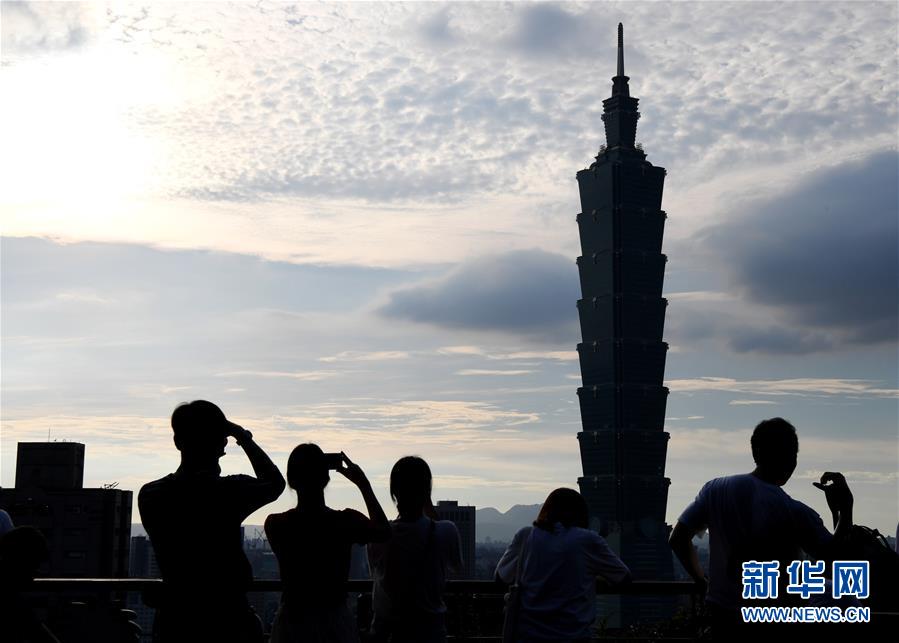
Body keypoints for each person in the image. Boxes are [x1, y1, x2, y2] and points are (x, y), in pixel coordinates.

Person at [669, 417, 853, 641]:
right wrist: (844, 509)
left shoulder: (714, 489)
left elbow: (678, 539)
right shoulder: (793, 510)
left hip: (722, 618)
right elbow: (835, 557)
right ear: (791, 459)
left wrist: (701, 581)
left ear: (756, 452)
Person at [138, 400, 285, 643]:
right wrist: (242, 436)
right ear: (222, 444)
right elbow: (274, 483)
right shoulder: (228, 492)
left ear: (178, 442)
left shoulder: (152, 494)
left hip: (176, 621)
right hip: (229, 619)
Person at [265, 445, 391, 643]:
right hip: (335, 622)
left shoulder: (276, 524)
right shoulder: (346, 522)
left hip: (292, 623)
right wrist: (363, 484)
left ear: (291, 480)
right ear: (326, 478)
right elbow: (383, 531)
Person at [495, 488, 631, 642]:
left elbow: (501, 577)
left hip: (527, 635)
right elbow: (623, 577)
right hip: (573, 636)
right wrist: (590, 579)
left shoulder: (526, 535)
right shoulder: (587, 540)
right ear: (581, 513)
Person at [367, 456, 462, 643]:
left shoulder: (379, 538)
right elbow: (456, 567)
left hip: (390, 633)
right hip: (432, 633)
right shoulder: (446, 531)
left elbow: (375, 573)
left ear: (394, 492)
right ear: (427, 491)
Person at [0, 526, 60, 643]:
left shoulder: (11, 597)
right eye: (34, 565)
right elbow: (36, 631)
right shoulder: (10, 600)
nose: (36, 573)